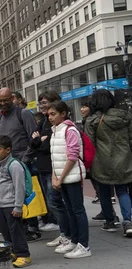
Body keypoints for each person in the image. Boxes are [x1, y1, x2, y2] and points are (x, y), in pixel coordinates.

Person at [85, 89, 132, 236]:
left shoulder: (92, 120)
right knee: (122, 191)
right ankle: (128, 222)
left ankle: (110, 221)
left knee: (104, 192)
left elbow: (89, 144)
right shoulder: (125, 116)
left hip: (101, 160)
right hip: (124, 158)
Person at [0, 87, 41, 241]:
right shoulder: (0, 118)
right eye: (0, 101)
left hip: (22, 163)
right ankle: (21, 227)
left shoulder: (23, 113)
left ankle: (33, 227)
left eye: (5, 100)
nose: (2, 103)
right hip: (7, 165)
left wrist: (24, 160)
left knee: (26, 194)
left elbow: (34, 138)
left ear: (13, 98)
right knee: (14, 197)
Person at [48, 101, 91, 258]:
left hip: (72, 177)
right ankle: (74, 240)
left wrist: (60, 178)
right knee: (70, 210)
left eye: (53, 114)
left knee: (77, 210)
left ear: (63, 114)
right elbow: (55, 158)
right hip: (63, 178)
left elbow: (72, 157)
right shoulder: (56, 131)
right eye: (49, 114)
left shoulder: (70, 130)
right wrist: (55, 177)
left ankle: (84, 245)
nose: (50, 117)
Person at [0, 135, 31, 267]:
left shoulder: (14, 165)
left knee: (16, 230)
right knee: (5, 230)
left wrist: (18, 206)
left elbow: (19, 187)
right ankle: (12, 251)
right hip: (1, 204)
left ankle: (23, 254)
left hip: (11, 205)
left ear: (8, 150)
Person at [29, 91, 63, 243]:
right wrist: (38, 141)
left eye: (45, 103)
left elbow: (47, 145)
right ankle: (64, 232)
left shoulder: (58, 124)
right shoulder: (43, 122)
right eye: (40, 103)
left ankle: (64, 231)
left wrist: (39, 141)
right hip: (43, 166)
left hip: (52, 167)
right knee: (50, 200)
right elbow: (35, 143)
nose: (42, 106)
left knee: (55, 201)